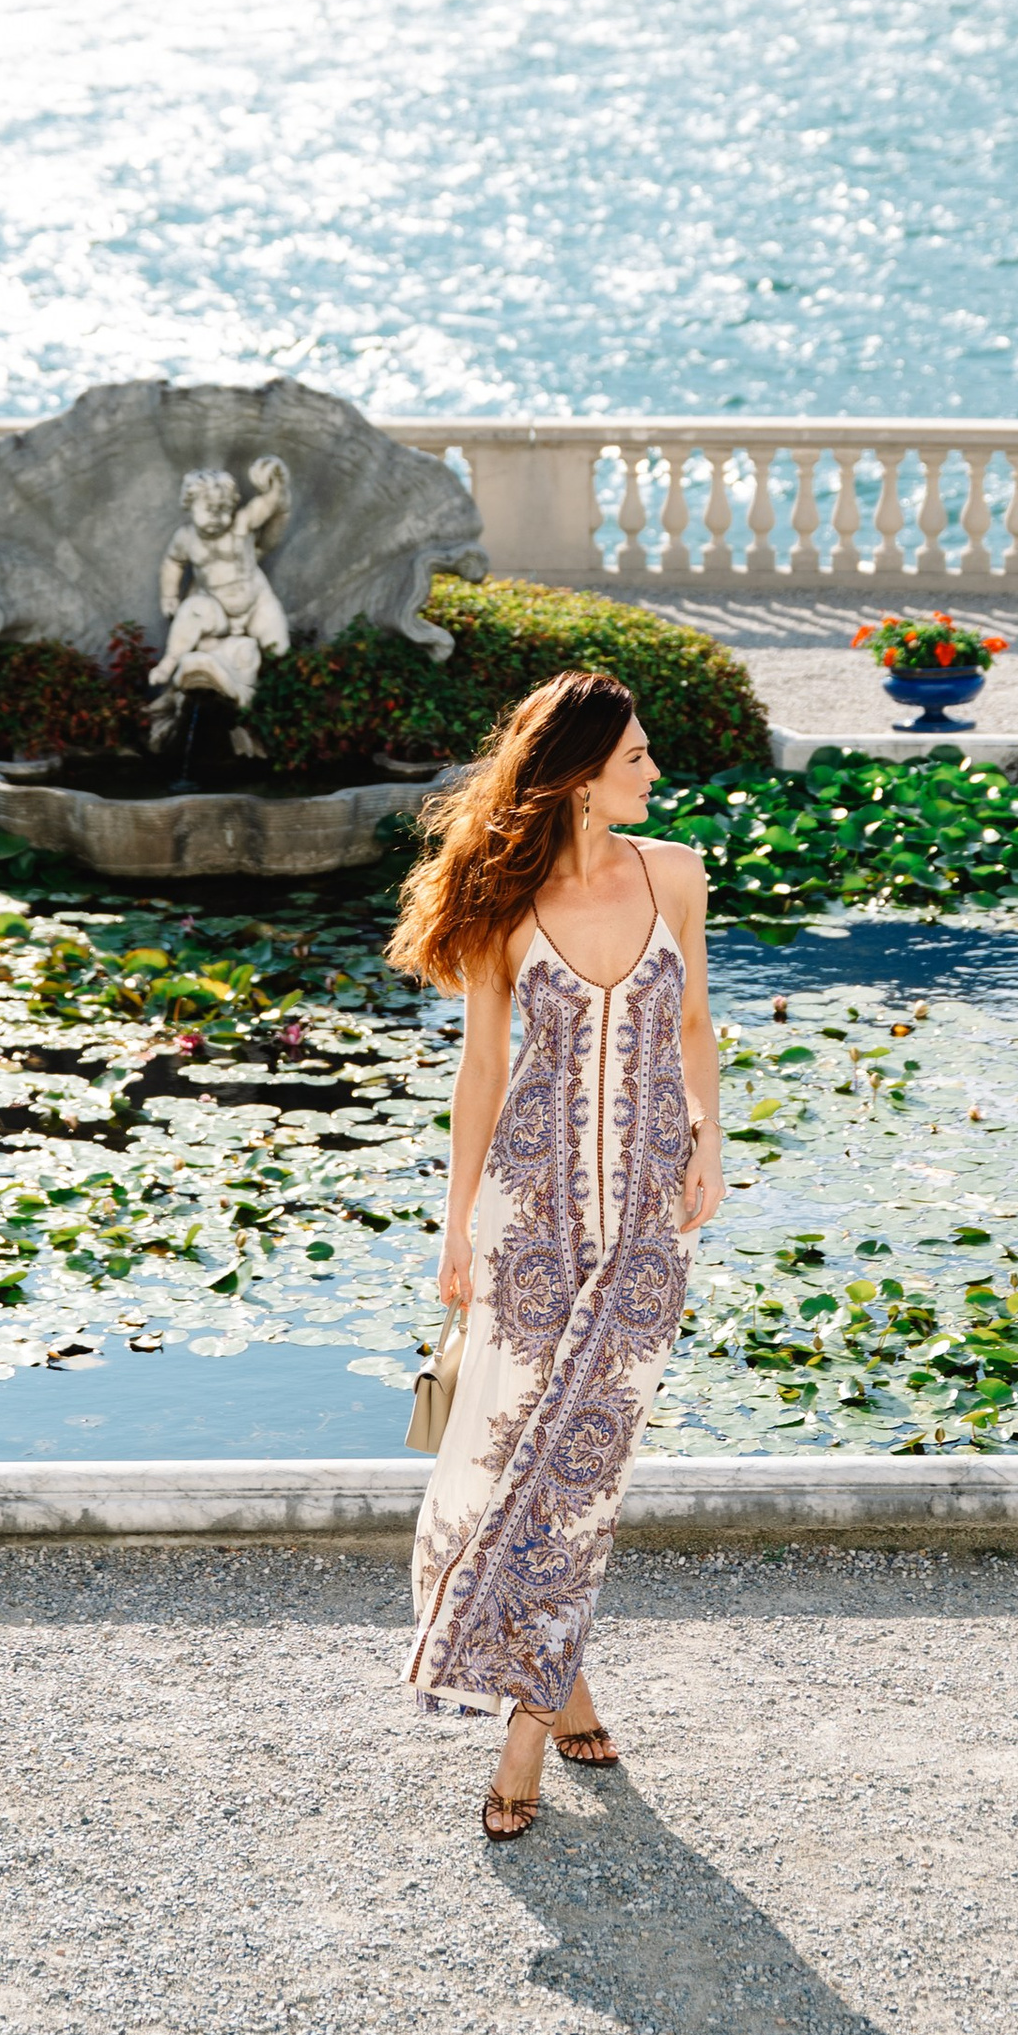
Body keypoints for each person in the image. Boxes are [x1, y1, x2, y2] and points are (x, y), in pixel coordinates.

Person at [386, 667, 724, 1839]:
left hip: (641, 1223)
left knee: (584, 1470)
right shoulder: (502, 900)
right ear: (581, 772)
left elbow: (692, 1024)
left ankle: (526, 1725)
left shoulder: (671, 874)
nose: (654, 773)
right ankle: (554, 1694)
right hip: (526, 1221)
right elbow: (481, 1071)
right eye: (635, 757)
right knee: (505, 1458)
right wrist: (455, 1229)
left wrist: (707, 1144)